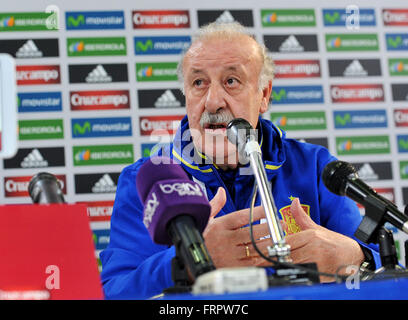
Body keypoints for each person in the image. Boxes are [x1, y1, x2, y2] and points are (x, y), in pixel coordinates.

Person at [100, 22, 380, 299]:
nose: (212, 102)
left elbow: (386, 269)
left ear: (264, 95)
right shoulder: (150, 178)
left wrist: (355, 256)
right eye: (199, 83)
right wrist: (188, 259)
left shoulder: (314, 167)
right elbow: (115, 292)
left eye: (231, 81)